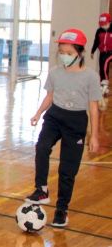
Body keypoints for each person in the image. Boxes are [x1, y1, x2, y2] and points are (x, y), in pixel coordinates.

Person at [25, 29, 100, 228]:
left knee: (68, 170)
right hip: (54, 117)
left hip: (76, 122)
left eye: (68, 53)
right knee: (41, 147)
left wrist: (94, 135)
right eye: (61, 51)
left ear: (80, 52)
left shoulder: (91, 77)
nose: (63, 56)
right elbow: (49, 96)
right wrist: (38, 113)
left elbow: (93, 107)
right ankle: (41, 190)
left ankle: (61, 210)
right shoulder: (55, 72)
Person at [90, 12, 112, 95]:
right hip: (102, 52)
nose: (103, 26)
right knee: (101, 68)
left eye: (105, 24)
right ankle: (103, 87)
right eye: (102, 24)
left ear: (109, 22)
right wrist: (92, 51)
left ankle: (105, 84)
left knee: (105, 66)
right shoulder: (99, 31)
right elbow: (96, 41)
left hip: (111, 52)